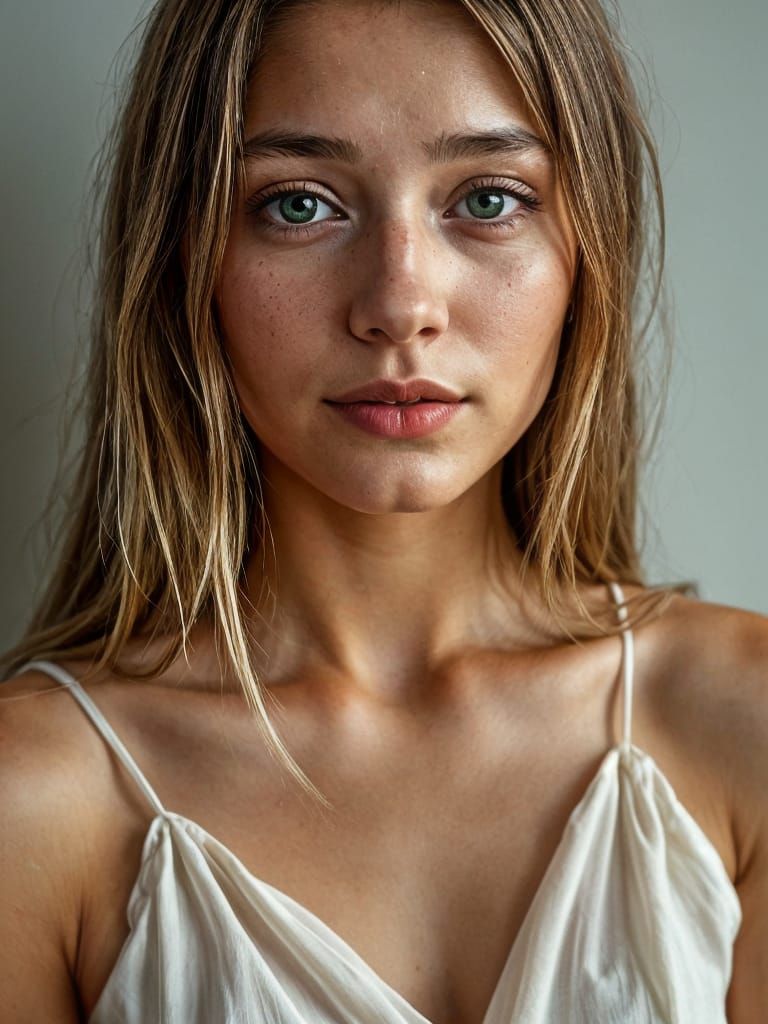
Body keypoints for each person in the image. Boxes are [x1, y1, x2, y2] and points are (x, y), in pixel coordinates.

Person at [1, 0, 765, 1020]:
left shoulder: (740, 725)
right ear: (186, 254)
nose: (401, 302)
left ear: (591, 248)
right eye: (301, 205)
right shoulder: (35, 801)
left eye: (489, 199)